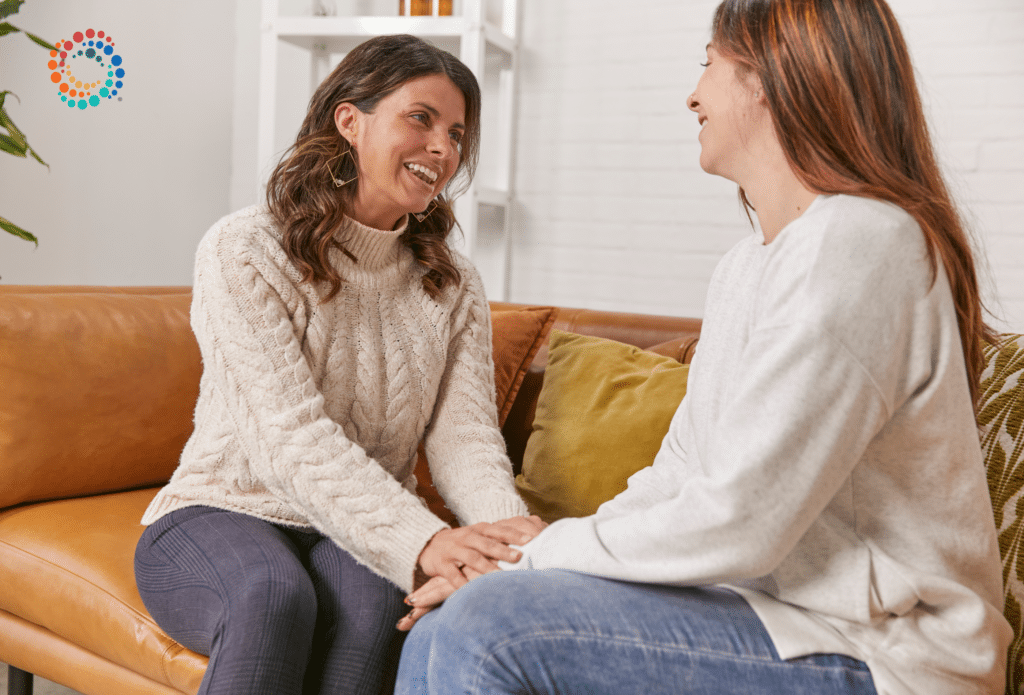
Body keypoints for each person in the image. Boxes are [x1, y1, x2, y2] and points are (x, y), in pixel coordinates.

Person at [393, 1, 1014, 693]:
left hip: (890, 654)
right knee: (448, 620)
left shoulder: (863, 243)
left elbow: (741, 518)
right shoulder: (746, 266)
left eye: (708, 64)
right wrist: (518, 556)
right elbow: (678, 475)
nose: (692, 94)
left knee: (487, 625)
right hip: (779, 617)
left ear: (771, 81)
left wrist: (532, 555)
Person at [133, 34, 543, 695]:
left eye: (457, 133)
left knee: (379, 606)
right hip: (221, 508)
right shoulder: (244, 249)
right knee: (272, 596)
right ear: (349, 121)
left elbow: (463, 435)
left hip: (350, 526)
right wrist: (425, 539)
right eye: (421, 118)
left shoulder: (452, 281)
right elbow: (289, 438)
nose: (443, 147)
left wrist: (504, 547)